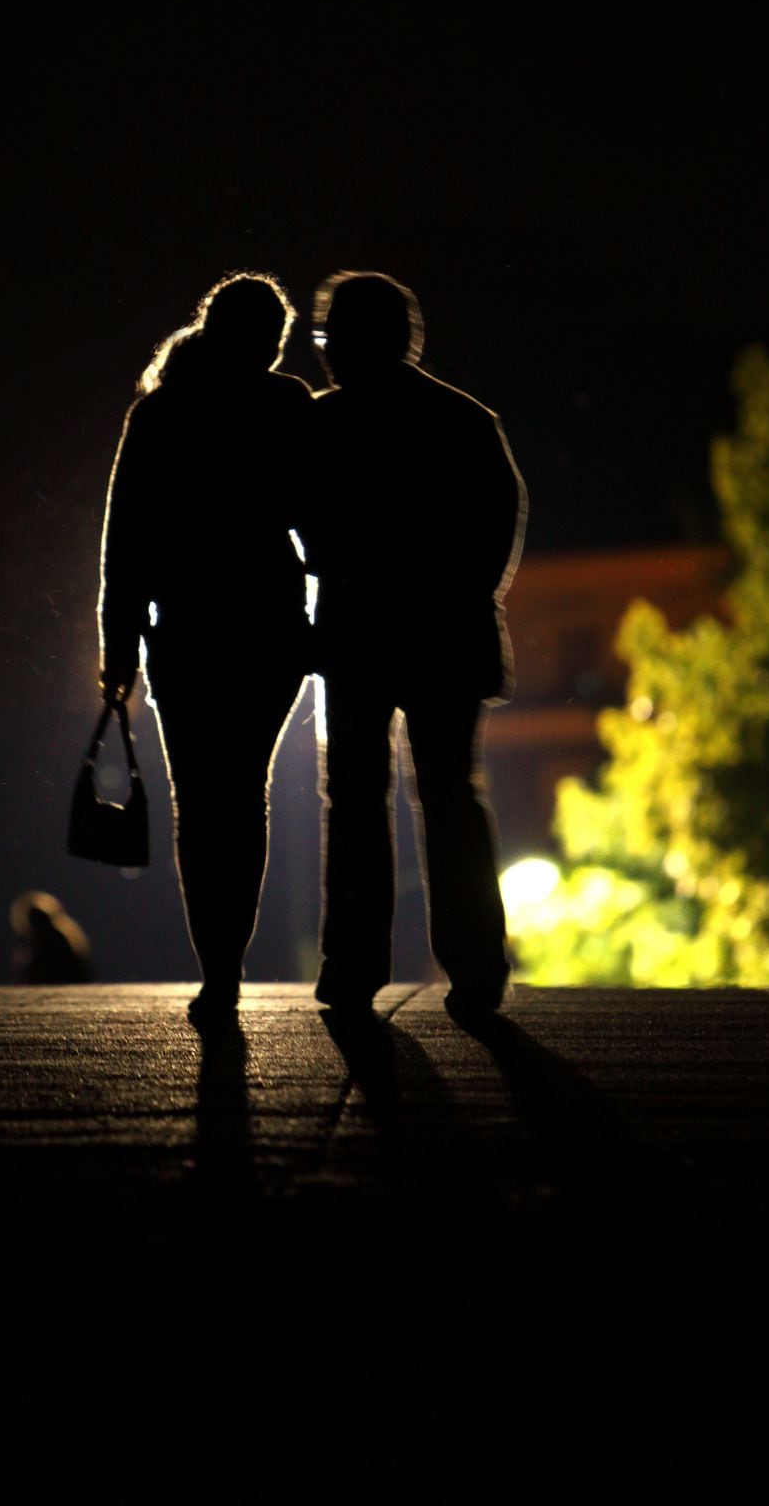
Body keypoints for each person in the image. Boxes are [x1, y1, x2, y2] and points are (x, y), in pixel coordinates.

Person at [296, 272, 526, 1016]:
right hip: (447, 637)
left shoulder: (322, 424)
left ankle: (354, 964)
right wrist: (458, 595)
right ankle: (476, 966)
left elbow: (299, 518)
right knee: (452, 798)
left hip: (357, 634)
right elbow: (497, 525)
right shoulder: (462, 419)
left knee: (355, 799)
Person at [98, 272, 311, 1014]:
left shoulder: (159, 412)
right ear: (272, 340)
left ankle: (217, 966)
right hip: (270, 625)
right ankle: (229, 958)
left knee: (200, 797)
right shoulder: (287, 404)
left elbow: (123, 541)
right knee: (244, 792)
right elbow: (317, 520)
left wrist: (118, 649)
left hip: (186, 629)